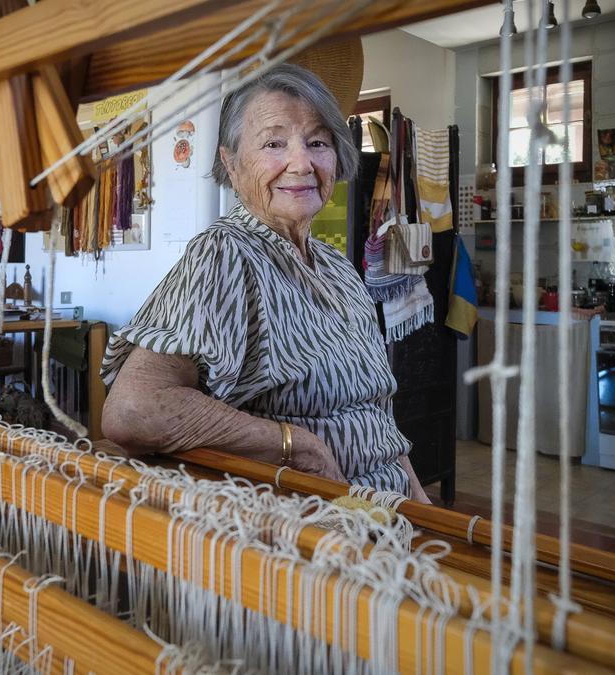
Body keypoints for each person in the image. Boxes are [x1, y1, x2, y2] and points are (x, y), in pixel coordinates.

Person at [100, 64, 429, 502]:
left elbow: (377, 416)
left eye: (317, 142)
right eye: (274, 143)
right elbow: (132, 411)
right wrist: (296, 444)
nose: (302, 162)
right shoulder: (225, 255)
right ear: (231, 164)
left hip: (387, 514)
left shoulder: (337, 266)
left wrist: (422, 512)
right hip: (310, 533)